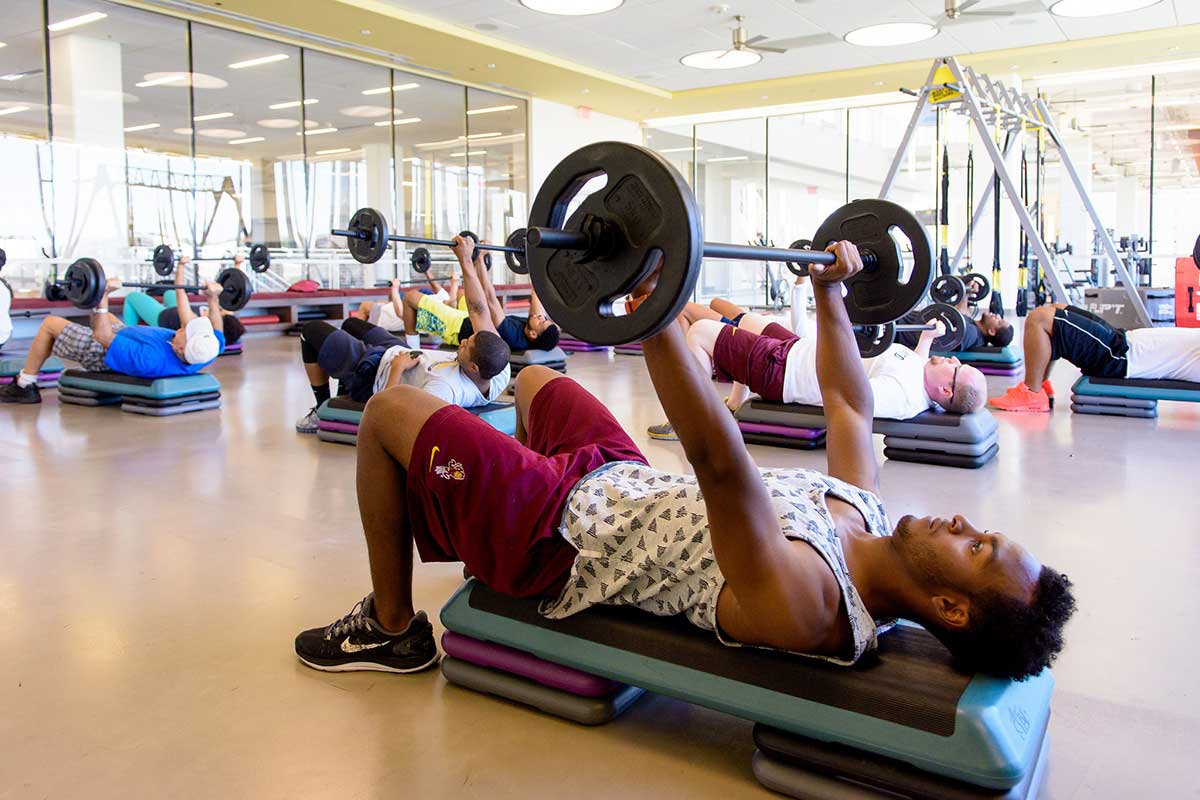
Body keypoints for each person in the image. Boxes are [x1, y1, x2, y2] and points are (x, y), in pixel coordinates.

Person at [293, 241, 1075, 683]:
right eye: (982, 529)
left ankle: (394, 628)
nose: (964, 522)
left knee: (390, 413)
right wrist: (832, 291)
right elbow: (848, 403)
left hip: (565, 538)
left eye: (975, 548)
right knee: (533, 379)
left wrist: (650, 306)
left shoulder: (813, 603)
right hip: (616, 479)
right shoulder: (866, 520)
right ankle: (476, 505)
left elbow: (718, 460)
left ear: (951, 610)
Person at [646, 296, 988, 440]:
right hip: (799, 350)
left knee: (700, 331)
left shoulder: (901, 397)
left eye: (957, 370)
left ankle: (689, 424)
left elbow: (846, 393)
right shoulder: (921, 376)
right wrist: (928, 337)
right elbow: (906, 362)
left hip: (786, 371)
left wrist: (837, 318)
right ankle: (735, 402)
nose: (954, 359)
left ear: (945, 392)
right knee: (748, 318)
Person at [294, 243, 511, 432]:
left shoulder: (444, 390)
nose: (462, 342)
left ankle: (322, 408)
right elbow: (479, 309)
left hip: (375, 371)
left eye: (466, 346)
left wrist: (398, 367)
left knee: (310, 331)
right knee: (351, 324)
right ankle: (343, 389)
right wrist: (466, 259)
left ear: (473, 368)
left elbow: (388, 413)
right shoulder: (499, 367)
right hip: (397, 350)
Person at [1, 261, 224, 404]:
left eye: (187, 332)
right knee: (105, 317)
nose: (185, 326)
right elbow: (216, 330)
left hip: (101, 352)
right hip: (127, 335)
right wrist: (213, 299)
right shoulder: (207, 348)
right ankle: (93, 313)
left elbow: (103, 338)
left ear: (181, 348)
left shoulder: (150, 358)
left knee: (50, 323)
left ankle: (24, 384)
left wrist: (104, 293)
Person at [989, 303, 1200, 412]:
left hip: (1120, 358)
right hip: (1123, 340)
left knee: (1039, 319)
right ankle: (1041, 384)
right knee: (1057, 308)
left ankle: (1031, 393)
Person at [401, 244, 560, 352]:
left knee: (410, 297)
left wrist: (479, 258)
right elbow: (536, 295)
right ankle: (445, 305)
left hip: (457, 327)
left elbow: (490, 297)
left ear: (533, 334)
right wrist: (534, 261)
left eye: (542, 321)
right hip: (471, 318)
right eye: (544, 318)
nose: (541, 316)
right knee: (462, 294)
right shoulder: (531, 332)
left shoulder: (512, 334)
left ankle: (412, 351)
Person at [894, 276, 1013, 351]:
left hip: (897, 327)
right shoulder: (974, 329)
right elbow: (962, 314)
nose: (997, 315)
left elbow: (957, 320)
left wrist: (962, 287)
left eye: (999, 321)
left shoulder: (971, 334)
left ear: (992, 331)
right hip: (899, 316)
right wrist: (966, 290)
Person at [121, 288, 245, 346]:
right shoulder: (219, 327)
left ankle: (128, 333)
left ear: (218, 322)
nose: (222, 310)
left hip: (162, 317)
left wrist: (181, 265)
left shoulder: (195, 321)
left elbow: (180, 289)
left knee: (132, 296)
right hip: (174, 309)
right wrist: (238, 263)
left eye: (222, 313)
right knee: (169, 293)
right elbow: (236, 293)